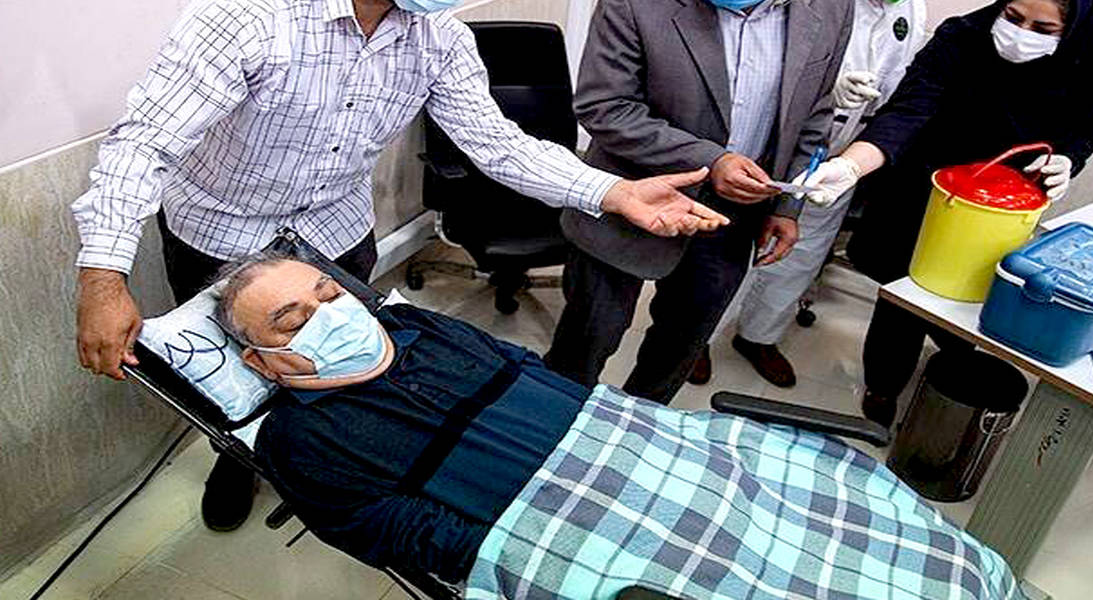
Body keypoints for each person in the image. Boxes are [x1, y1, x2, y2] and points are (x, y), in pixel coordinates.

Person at [71, 0, 726, 534]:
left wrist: (613, 193)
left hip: (334, 233)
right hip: (222, 233)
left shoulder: (437, 38)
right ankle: (236, 462)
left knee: (340, 368)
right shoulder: (249, 15)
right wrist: (103, 280)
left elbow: (497, 145)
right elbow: (144, 142)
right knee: (236, 379)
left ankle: (329, 467)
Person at [220, 256, 1021, 599]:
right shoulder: (303, 441)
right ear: (261, 361)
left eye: (330, 294)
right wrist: (545, 543)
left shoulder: (416, 328)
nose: (332, 315)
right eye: (294, 320)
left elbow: (527, 370)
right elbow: (401, 536)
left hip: (640, 444)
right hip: (566, 526)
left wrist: (614, 433)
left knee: (880, 522)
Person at [542, 0, 854, 404]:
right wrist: (713, 161)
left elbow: (814, 111)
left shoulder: (832, 0)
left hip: (735, 217)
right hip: (631, 200)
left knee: (680, 347)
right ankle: (552, 424)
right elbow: (604, 107)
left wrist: (787, 205)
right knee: (583, 346)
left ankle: (645, 427)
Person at [801, 0, 1093, 425]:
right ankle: (882, 387)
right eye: (1013, 17)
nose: (1020, 34)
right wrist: (852, 166)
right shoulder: (962, 39)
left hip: (1006, 202)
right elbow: (909, 111)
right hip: (928, 185)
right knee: (907, 293)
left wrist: (1068, 159)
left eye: (1043, 29)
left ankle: (958, 364)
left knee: (981, 291)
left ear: (1072, 32)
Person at [695, 0, 965, 388]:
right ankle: (696, 340)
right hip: (775, 143)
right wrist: (825, 87)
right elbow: (755, 63)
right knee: (733, 248)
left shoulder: (911, 0)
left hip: (841, 152)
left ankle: (758, 335)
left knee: (804, 249)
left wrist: (858, 151)